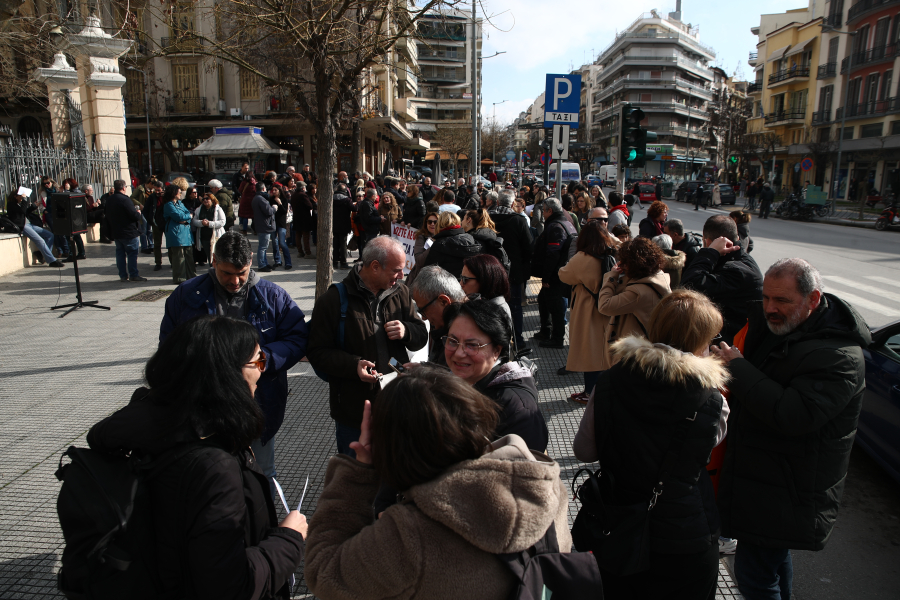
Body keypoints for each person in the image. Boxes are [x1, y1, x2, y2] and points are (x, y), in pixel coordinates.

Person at [305, 365, 570, 600]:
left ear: (393, 448)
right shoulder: (544, 483)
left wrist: (360, 471)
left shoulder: (408, 538)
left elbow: (323, 572)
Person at [87, 316, 306, 600]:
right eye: (257, 361)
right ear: (226, 376)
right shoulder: (215, 467)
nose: (261, 371)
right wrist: (288, 540)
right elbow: (230, 585)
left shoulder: (152, 422)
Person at [712, 259, 870, 600]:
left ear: (813, 300)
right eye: (766, 298)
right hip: (767, 480)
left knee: (755, 576)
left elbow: (793, 415)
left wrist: (737, 368)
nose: (771, 308)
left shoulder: (839, 355)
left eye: (782, 300)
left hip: (788, 488)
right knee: (770, 562)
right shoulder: (785, 329)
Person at [573, 289, 727, 599]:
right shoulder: (712, 400)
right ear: (701, 341)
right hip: (685, 536)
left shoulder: (611, 380)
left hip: (618, 526)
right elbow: (704, 452)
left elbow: (584, 451)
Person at [160, 232, 309, 488]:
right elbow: (168, 346)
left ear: (251, 260)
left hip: (258, 404)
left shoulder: (273, 296)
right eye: (227, 273)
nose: (236, 280)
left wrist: (260, 362)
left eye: (242, 272)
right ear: (214, 260)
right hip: (201, 406)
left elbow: (296, 339)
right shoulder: (185, 295)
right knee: (206, 476)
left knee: (262, 474)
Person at [307, 236, 428, 456]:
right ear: (374, 267)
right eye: (397, 270)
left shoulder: (400, 292)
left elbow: (421, 334)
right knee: (356, 474)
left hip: (396, 404)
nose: (402, 276)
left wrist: (407, 330)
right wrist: (353, 366)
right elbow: (317, 352)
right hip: (354, 411)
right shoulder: (333, 301)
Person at [443, 299, 549, 451]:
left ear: (496, 351)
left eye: (472, 345)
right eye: (452, 341)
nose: (459, 353)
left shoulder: (518, 411)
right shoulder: (456, 383)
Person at [681, 215, 763, 345]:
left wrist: (710, 252)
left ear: (707, 242)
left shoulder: (735, 270)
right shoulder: (740, 259)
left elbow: (689, 285)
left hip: (732, 347)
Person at [559, 221, 617, 404]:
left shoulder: (583, 257)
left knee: (589, 352)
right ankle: (603, 391)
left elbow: (563, 274)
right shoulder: (612, 254)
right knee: (604, 351)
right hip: (609, 307)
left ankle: (590, 393)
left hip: (587, 308)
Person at [597, 237, 672, 371]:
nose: (622, 265)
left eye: (624, 262)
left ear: (632, 263)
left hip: (634, 354)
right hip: (647, 348)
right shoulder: (657, 277)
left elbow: (604, 306)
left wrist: (611, 277)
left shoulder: (638, 292)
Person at [489, 189, 533, 348]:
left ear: (498, 202)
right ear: (513, 203)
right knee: (514, 306)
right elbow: (529, 247)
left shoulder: (488, 218)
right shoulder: (519, 220)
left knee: (494, 306)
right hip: (513, 271)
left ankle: (496, 341)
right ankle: (518, 341)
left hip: (492, 271)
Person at [532, 198, 577, 349]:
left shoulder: (556, 226)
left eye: (543, 210)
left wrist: (547, 277)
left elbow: (553, 254)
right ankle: (546, 330)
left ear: (549, 211)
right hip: (560, 271)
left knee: (555, 306)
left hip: (556, 275)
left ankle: (557, 338)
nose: (543, 214)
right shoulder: (566, 222)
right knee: (544, 300)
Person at [410, 265, 466, 366]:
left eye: (423, 310)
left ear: (444, 301)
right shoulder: (450, 326)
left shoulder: (469, 333)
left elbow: (455, 378)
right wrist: (423, 369)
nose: (423, 317)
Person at [5, 191, 65, 267]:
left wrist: (33, 206)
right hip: (24, 226)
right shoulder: (11, 204)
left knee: (49, 235)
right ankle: (52, 261)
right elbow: (22, 211)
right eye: (21, 196)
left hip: (29, 224)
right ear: (15, 196)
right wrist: (24, 200)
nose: (22, 197)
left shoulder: (18, 204)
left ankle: (43, 255)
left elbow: (24, 213)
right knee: (39, 240)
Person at [105, 179, 147, 282]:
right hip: (128, 232)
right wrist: (138, 212)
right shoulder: (125, 200)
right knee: (132, 253)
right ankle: (133, 274)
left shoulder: (110, 199)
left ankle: (123, 275)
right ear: (124, 188)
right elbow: (134, 216)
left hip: (116, 232)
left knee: (120, 254)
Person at [422, 211, 482, 278]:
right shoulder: (470, 238)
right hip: (465, 283)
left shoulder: (440, 244)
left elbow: (427, 272)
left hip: (443, 285)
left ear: (439, 224)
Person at [459, 254, 511, 327]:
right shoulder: (483, 304)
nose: (460, 283)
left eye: (465, 279)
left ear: (485, 281)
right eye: (461, 278)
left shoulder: (495, 314)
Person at [162, 182, 196, 284]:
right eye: (179, 192)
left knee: (189, 256)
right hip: (176, 233)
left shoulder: (180, 203)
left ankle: (191, 276)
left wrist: (188, 218)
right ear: (174, 193)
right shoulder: (168, 205)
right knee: (179, 257)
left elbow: (188, 213)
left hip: (186, 232)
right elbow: (178, 216)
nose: (181, 193)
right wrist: (187, 217)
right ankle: (179, 278)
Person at [191, 192, 226, 266]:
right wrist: (201, 222)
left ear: (212, 200)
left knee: (217, 256)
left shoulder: (218, 209)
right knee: (210, 257)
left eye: (207, 199)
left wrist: (209, 224)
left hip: (215, 236)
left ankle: (217, 271)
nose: (205, 200)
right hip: (204, 237)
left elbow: (223, 222)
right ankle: (212, 271)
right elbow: (194, 221)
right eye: (203, 199)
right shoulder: (199, 209)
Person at [268, 186, 292, 270]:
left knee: (282, 242)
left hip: (281, 224)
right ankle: (277, 261)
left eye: (275, 190)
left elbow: (284, 211)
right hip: (273, 223)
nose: (274, 191)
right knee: (274, 243)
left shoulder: (284, 199)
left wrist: (279, 203)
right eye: (273, 190)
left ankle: (288, 262)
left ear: (279, 191)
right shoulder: (270, 200)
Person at [290, 181, 315, 258]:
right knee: (306, 236)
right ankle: (308, 253)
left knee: (298, 235)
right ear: (303, 188)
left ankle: (300, 252)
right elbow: (310, 206)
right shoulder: (303, 195)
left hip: (296, 217)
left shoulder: (293, 195)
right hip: (304, 218)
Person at [331, 184, 353, 269]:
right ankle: (343, 262)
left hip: (334, 224)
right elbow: (354, 208)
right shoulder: (347, 200)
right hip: (344, 224)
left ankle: (335, 262)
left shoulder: (331, 199)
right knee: (343, 244)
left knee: (335, 244)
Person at [355, 188, 382, 256]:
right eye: (376, 195)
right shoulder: (367, 204)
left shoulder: (367, 203)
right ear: (373, 196)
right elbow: (369, 218)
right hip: (370, 229)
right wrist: (379, 219)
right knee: (370, 249)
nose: (377, 196)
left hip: (370, 229)